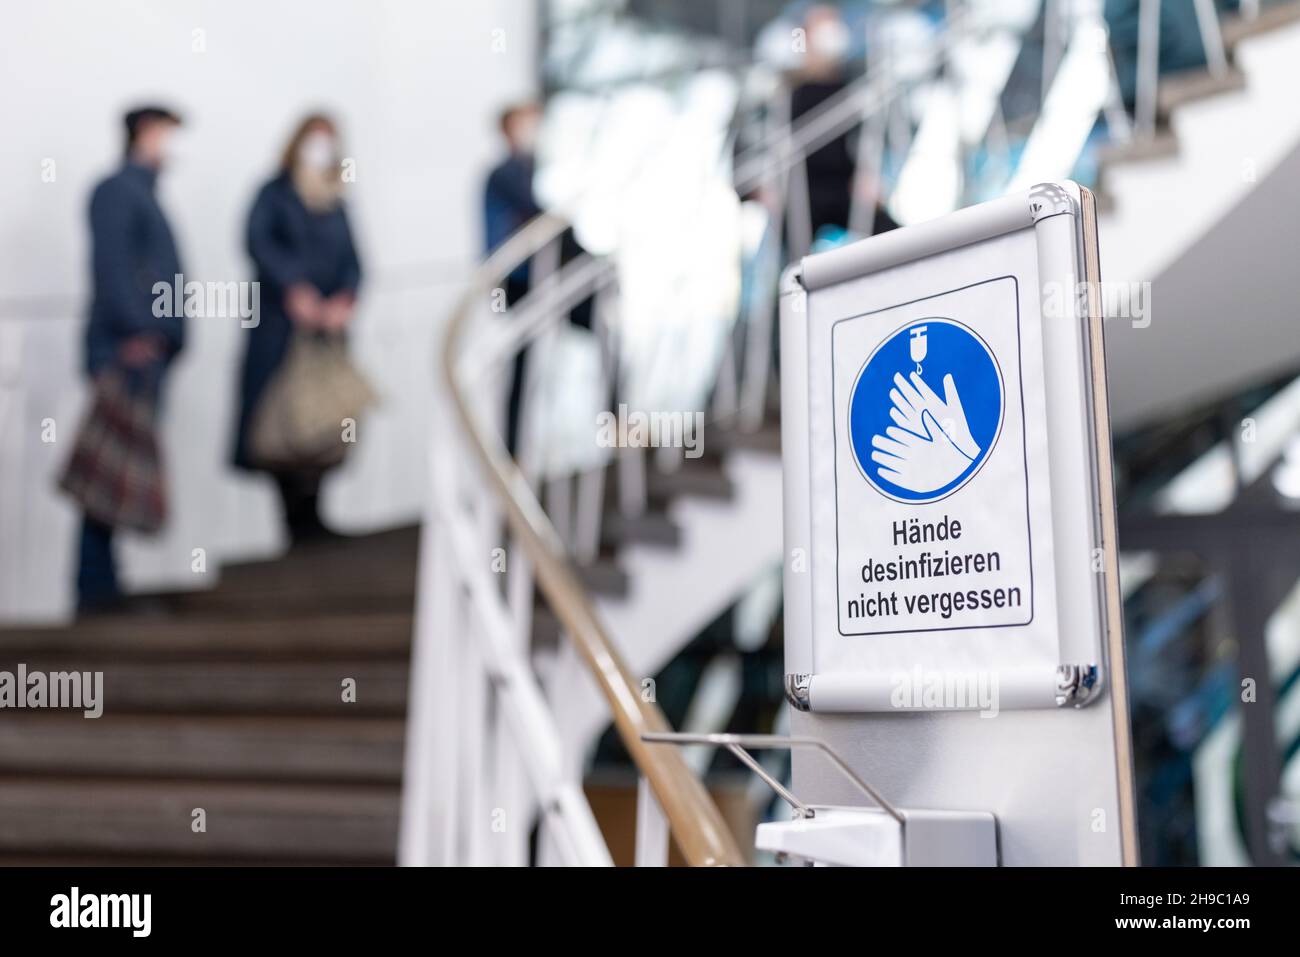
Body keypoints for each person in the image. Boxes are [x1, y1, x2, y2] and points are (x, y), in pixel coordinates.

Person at [77, 105, 187, 613]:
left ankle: (101, 586)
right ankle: (95, 591)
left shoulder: (143, 195)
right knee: (103, 476)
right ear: (143, 134)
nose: (172, 146)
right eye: (165, 134)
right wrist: (137, 332)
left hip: (145, 354)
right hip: (127, 355)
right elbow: (113, 267)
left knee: (113, 475)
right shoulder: (118, 193)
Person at [232, 114, 362, 543]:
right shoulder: (274, 194)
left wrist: (345, 297)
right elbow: (258, 242)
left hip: (328, 334)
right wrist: (294, 289)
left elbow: (355, 261)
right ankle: (292, 522)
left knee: (327, 421)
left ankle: (314, 516)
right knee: (282, 422)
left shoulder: (337, 201)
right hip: (280, 330)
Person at [789, 5, 897, 242]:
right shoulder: (790, 94)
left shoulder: (850, 88)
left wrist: (865, 177)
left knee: (893, 234)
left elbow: (861, 145)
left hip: (845, 190)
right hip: (800, 194)